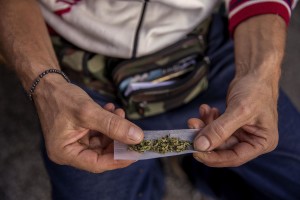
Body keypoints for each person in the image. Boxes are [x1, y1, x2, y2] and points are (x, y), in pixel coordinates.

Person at [0, 0, 300, 199]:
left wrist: (261, 75)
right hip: (77, 70)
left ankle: (202, 168)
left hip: (209, 45)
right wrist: (46, 87)